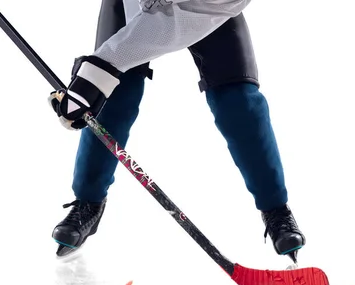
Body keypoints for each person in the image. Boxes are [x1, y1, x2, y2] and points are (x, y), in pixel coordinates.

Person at [49, 0, 306, 263]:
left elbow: (171, 24)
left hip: (209, 8)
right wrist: (98, 78)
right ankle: (87, 202)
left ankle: (275, 207)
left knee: (238, 101)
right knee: (115, 97)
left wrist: (99, 69)